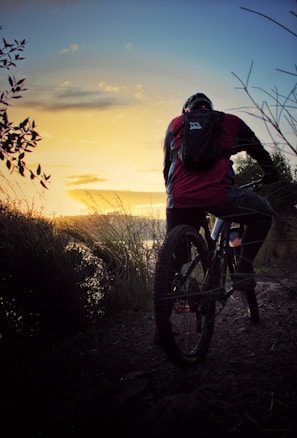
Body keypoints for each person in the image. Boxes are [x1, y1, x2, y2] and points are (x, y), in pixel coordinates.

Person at [163, 92, 279, 289]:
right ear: (209, 107)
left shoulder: (175, 125)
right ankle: (243, 271)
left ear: (186, 111)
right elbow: (257, 150)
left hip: (179, 199)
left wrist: (172, 195)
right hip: (219, 196)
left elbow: (167, 167)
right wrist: (271, 173)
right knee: (262, 214)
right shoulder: (229, 122)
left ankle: (165, 297)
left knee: (176, 254)